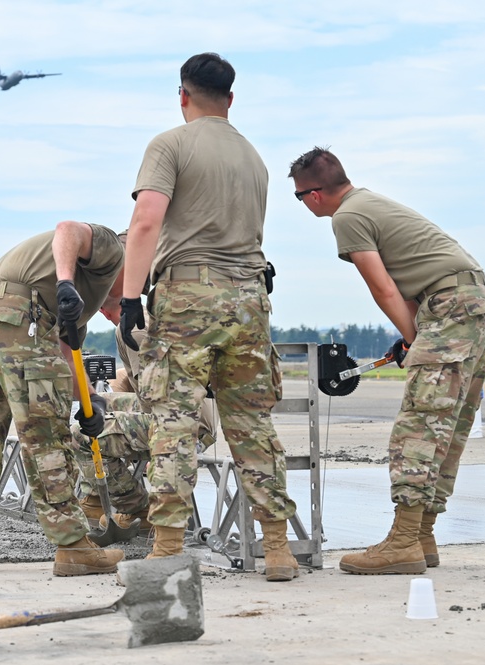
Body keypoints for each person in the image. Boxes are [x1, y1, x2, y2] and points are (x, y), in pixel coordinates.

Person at [120, 53, 300, 581]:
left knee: (173, 420)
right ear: (230, 98)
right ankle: (279, 549)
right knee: (252, 424)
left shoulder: (170, 144)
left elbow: (146, 218)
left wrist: (132, 295)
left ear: (183, 95)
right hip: (249, 299)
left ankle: (168, 545)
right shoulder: (254, 157)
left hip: (188, 296)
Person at [288, 146, 485, 574]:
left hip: (449, 306)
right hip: (472, 302)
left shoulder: (347, 216)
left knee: (419, 425)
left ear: (313, 194)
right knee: (447, 424)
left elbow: (383, 288)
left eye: (298, 196)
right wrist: (415, 337)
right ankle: (422, 536)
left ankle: (403, 542)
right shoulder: (370, 202)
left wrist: (413, 336)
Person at [0, 221, 126, 577]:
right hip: (21, 315)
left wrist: (91, 404)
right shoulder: (113, 249)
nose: (134, 292)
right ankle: (73, 545)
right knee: (45, 437)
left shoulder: (77, 304)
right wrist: (64, 283)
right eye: (136, 284)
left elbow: (64, 355)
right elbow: (68, 230)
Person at [72, 296, 219, 533]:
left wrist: (158, 446)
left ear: (102, 311)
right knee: (92, 406)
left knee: (81, 434)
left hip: (182, 423)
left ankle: (136, 508)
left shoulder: (134, 328)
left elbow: (156, 394)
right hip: (191, 413)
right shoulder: (146, 316)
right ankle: (94, 500)